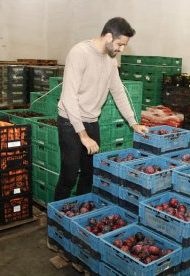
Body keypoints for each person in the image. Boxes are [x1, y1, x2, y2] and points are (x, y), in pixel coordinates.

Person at [55, 17, 148, 201]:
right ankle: (58, 217)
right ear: (108, 36)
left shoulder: (110, 60)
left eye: (124, 46)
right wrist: (82, 135)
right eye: (120, 44)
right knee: (70, 174)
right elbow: (68, 97)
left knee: (89, 173)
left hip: (91, 121)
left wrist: (133, 122)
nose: (121, 49)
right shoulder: (79, 53)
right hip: (70, 122)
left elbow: (118, 91)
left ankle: (80, 212)